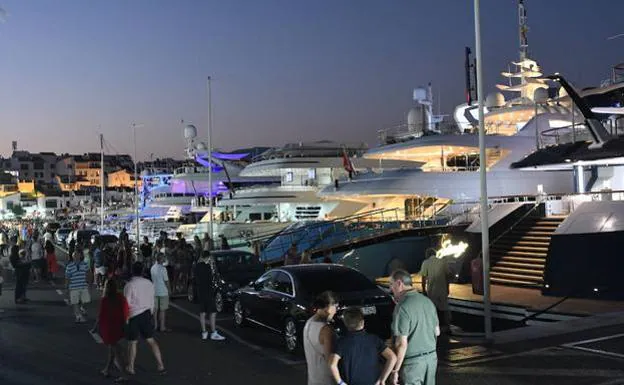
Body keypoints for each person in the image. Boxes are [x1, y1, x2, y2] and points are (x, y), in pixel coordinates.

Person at [389, 269, 439, 385]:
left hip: (412, 364)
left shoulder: (402, 307)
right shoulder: (428, 302)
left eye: (391, 284)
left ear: (399, 283)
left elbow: (401, 344)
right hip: (431, 359)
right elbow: (437, 332)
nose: (390, 289)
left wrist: (395, 370)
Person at [329, 307, 397, 385]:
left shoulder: (341, 342)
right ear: (363, 322)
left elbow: (332, 364)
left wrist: (340, 382)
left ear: (345, 323)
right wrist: (382, 379)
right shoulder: (374, 340)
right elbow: (392, 357)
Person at [123, 262, 166, 375]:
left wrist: (125, 318)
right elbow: (152, 300)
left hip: (134, 315)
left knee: (132, 342)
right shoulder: (149, 283)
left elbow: (126, 303)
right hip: (146, 314)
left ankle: (131, 367)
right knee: (151, 340)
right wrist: (150, 312)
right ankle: (160, 365)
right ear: (143, 271)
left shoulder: (130, 284)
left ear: (132, 271)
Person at [303, 291, 337, 385]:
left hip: (313, 379)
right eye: (335, 306)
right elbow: (330, 359)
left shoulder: (309, 323)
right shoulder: (326, 329)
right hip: (326, 380)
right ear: (328, 307)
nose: (336, 311)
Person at [97, 278, 128, 381]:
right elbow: (126, 311)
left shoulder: (105, 300)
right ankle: (107, 369)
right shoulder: (121, 297)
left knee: (116, 352)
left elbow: (101, 316)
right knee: (113, 350)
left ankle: (124, 374)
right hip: (119, 326)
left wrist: (96, 328)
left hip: (109, 328)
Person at [194, 251, 226, 341]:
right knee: (212, 312)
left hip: (201, 292)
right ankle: (213, 332)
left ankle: (204, 332)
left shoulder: (196, 267)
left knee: (202, 313)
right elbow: (212, 278)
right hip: (208, 291)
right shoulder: (208, 266)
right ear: (208, 257)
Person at [420, 248, 452, 333]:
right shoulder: (443, 262)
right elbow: (448, 276)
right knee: (445, 308)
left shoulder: (425, 263)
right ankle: (448, 327)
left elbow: (423, 278)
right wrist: (448, 288)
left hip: (432, 290)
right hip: (442, 289)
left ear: (427, 255)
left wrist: (423, 290)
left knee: (432, 310)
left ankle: (434, 329)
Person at [65, 251, 91, 323]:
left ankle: (82, 308)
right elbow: (67, 278)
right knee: (75, 302)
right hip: (74, 287)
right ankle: (78, 316)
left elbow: (88, 273)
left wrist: (89, 282)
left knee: (86, 301)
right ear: (73, 257)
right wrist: (66, 288)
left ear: (80, 256)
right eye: (75, 256)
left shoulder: (85, 264)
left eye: (78, 255)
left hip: (83, 286)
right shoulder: (69, 266)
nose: (76, 257)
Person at [150, 253, 171, 332]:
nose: (165, 259)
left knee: (155, 309)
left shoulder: (152, 268)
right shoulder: (163, 269)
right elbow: (166, 281)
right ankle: (162, 327)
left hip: (155, 290)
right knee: (162, 310)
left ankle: (155, 325)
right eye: (164, 258)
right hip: (163, 291)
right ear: (161, 259)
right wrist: (169, 290)